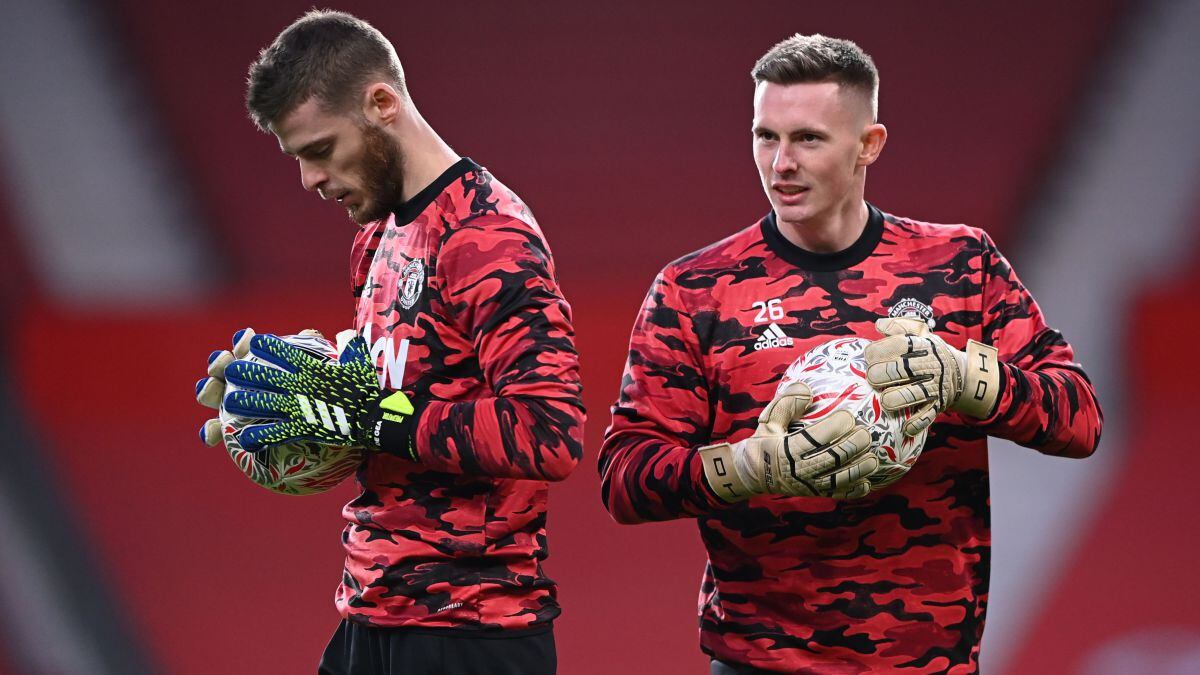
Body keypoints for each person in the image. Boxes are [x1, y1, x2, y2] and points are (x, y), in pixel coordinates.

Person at [599, 33, 1102, 673]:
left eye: (808, 138)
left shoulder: (960, 265)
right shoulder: (696, 288)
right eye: (764, 136)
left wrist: (969, 381)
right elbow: (625, 477)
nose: (780, 163)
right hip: (759, 662)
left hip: (928, 662)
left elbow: (1080, 418)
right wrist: (750, 466)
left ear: (869, 145)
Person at [194, 11, 582, 674]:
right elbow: (385, 408)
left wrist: (376, 418)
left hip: (470, 629)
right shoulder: (374, 238)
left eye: (319, 150)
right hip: (372, 611)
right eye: (297, 159)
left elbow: (550, 431)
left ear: (381, 104)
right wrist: (301, 416)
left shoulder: (488, 236)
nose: (310, 179)